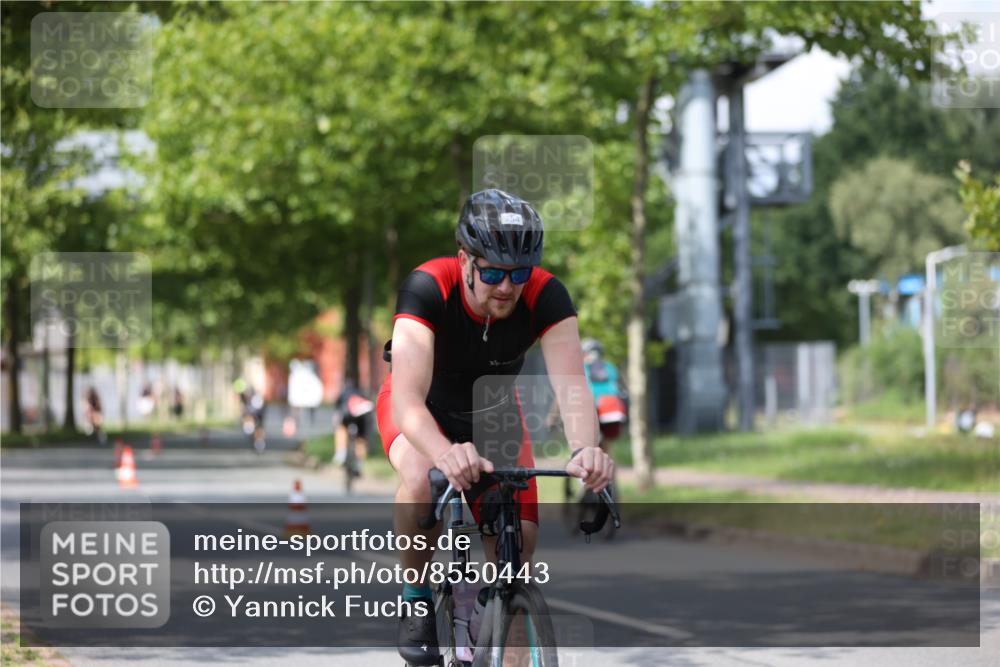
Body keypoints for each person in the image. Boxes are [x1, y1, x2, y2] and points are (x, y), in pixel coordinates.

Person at [376, 188, 614, 665]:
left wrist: (585, 449)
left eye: (518, 274)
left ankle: (498, 614)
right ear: (465, 260)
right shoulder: (427, 286)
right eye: (491, 273)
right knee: (422, 479)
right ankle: (416, 596)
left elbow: (572, 384)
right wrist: (445, 452)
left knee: (518, 548)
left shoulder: (547, 295)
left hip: (494, 414)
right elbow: (406, 400)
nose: (506, 287)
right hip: (423, 408)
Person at [332, 378, 374, 471]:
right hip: (362, 415)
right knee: (361, 438)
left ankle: (341, 453)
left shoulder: (344, 393)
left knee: (341, 428)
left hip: (347, 413)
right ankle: (360, 462)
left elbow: (337, 408)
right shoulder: (363, 393)